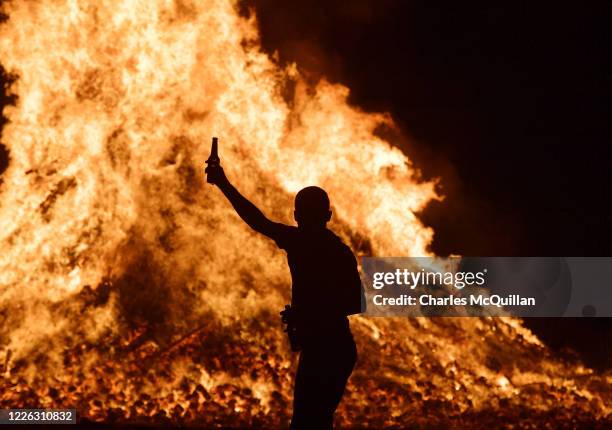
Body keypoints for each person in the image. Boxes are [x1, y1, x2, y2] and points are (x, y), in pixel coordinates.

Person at [206, 155, 363, 429]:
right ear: (328, 216)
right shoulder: (341, 252)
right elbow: (354, 304)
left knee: (306, 421)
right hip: (337, 347)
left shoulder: (300, 242)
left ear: (296, 216)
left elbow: (258, 221)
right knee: (316, 419)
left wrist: (222, 183)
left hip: (326, 347)